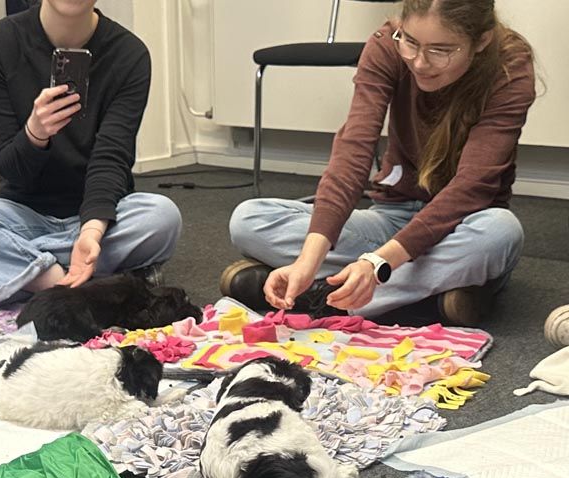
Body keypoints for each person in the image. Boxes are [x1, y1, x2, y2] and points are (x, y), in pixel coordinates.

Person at [221, 0, 536, 327]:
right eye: (410, 42)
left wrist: (376, 263)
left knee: (499, 233)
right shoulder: (387, 44)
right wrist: (307, 262)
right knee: (249, 219)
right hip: (393, 217)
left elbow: (471, 188)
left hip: (463, 224)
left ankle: (325, 298)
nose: (419, 62)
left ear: (481, 40)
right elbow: (352, 152)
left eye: (440, 50)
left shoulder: (510, 65)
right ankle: (425, 295)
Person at [0, 0, 181, 310]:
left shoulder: (129, 53)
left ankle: (23, 270)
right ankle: (80, 284)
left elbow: (111, 158)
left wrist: (91, 232)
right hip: (23, 214)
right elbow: (11, 169)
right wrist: (35, 133)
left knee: (162, 216)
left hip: (101, 217)